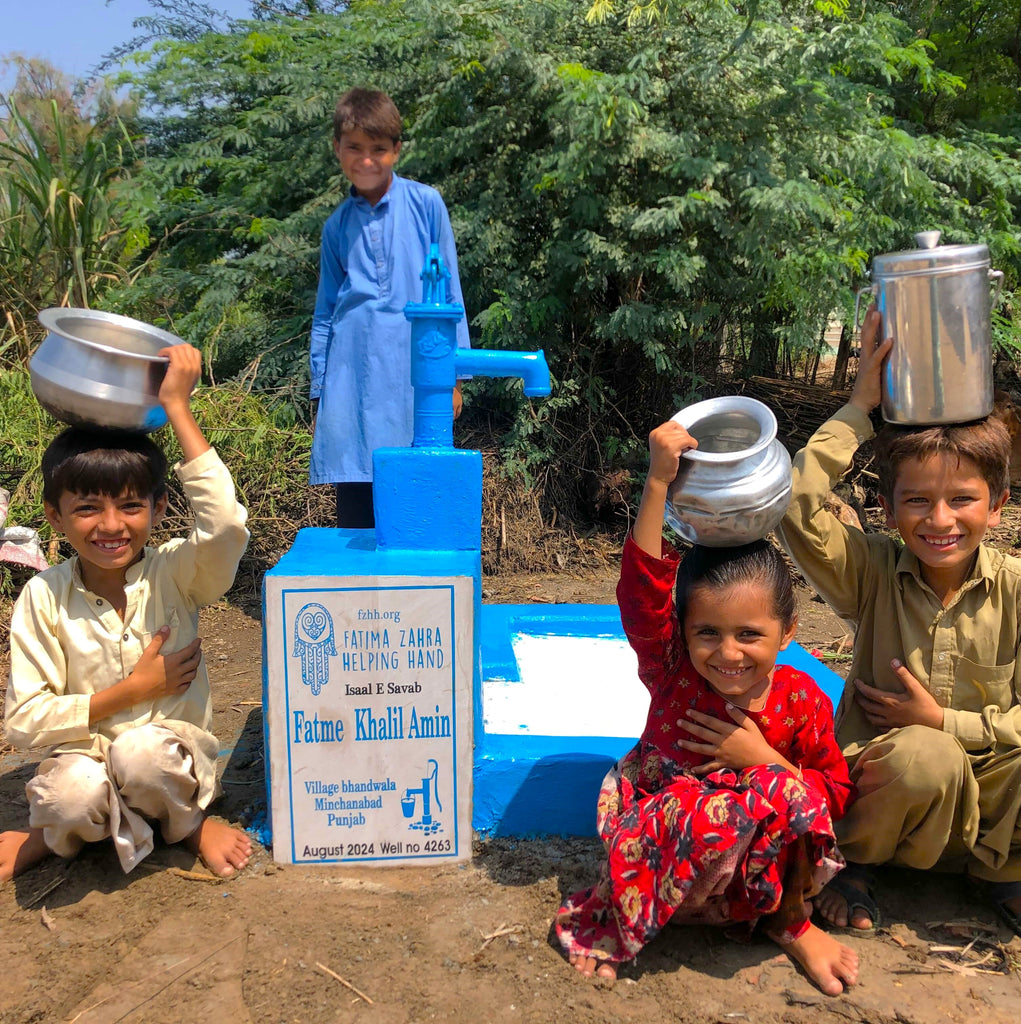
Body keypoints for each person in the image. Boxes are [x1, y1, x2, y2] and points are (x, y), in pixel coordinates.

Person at [556, 419, 859, 996]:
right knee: (691, 805)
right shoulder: (674, 673)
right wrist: (657, 483)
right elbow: (642, 595)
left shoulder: (802, 699)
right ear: (682, 633)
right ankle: (624, 918)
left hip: (758, 880)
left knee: (786, 789)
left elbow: (833, 795)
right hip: (666, 868)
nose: (727, 653)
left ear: (788, 631)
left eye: (749, 634)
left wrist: (764, 757)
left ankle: (790, 923)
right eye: (707, 633)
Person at [778, 307, 1021, 936]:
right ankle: (856, 864)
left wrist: (945, 719)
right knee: (924, 756)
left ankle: (1000, 872)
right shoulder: (873, 573)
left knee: (951, 744)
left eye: (962, 500)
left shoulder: (1016, 588)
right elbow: (797, 503)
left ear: (996, 506)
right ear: (885, 508)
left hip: (986, 799)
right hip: (894, 786)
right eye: (917, 500)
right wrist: (860, 405)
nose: (939, 520)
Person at [0, 344, 252, 883]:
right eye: (87, 507)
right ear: (54, 515)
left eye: (131, 505)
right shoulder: (43, 596)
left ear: (160, 508)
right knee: (69, 797)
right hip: (84, 765)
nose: (110, 525)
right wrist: (130, 692)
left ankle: (188, 825)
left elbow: (227, 528)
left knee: (142, 755)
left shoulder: (177, 575)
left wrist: (177, 407)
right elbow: (22, 722)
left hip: (164, 763)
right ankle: (54, 836)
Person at [309, 87, 470, 528]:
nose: (366, 160)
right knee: (357, 506)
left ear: (396, 150)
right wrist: (320, 392)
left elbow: (450, 290)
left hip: (414, 374)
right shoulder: (336, 226)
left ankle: (415, 598)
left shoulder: (425, 204)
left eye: (378, 149)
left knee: (417, 495)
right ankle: (361, 598)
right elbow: (326, 313)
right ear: (337, 150)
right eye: (354, 148)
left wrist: (454, 377)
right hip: (351, 381)